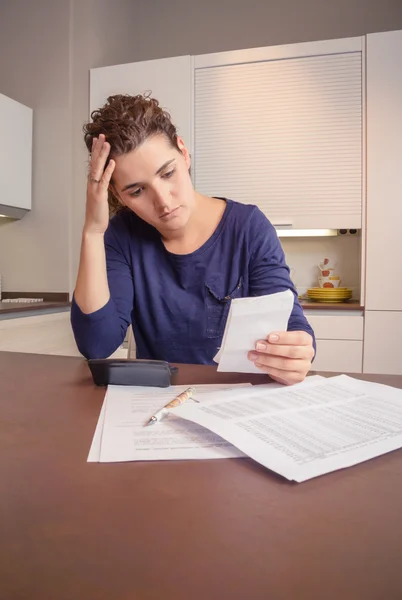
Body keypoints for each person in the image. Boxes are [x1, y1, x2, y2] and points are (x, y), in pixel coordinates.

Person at [71, 94, 315, 385]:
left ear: (183, 152)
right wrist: (93, 231)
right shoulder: (122, 236)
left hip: (236, 397)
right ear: (117, 195)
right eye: (137, 191)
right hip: (160, 403)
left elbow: (289, 322)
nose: (163, 201)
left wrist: (297, 352)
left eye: (168, 173)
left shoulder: (249, 227)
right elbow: (97, 345)